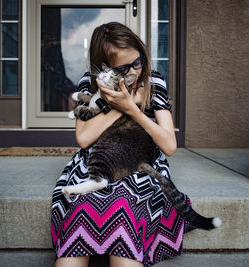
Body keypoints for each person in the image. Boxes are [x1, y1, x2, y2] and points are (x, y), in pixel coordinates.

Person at [51, 22, 192, 267]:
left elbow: (169, 145)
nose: (134, 72)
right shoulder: (91, 83)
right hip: (97, 161)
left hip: (140, 163)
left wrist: (136, 112)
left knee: (125, 204)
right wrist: (121, 107)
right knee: (83, 207)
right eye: (124, 67)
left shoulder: (152, 82)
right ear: (103, 68)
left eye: (138, 62)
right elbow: (84, 139)